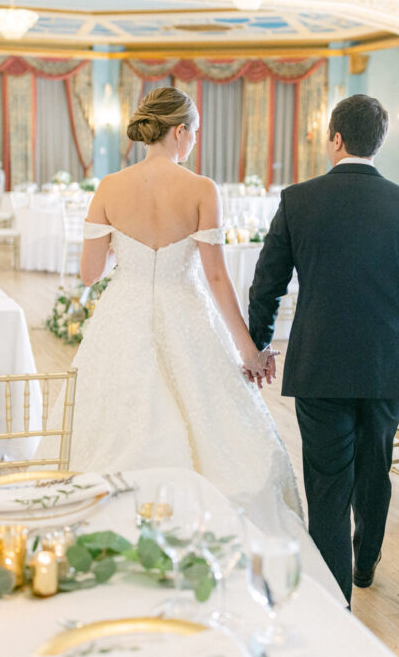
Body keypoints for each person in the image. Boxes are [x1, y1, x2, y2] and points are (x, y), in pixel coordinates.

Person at [67, 86, 302, 532]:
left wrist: (124, 245)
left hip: (125, 313)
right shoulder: (201, 189)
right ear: (179, 132)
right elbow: (216, 278)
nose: (194, 142)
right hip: (187, 313)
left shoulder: (110, 187)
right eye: (193, 133)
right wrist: (249, 352)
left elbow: (89, 273)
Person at [247, 94, 399, 603]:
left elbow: (266, 285)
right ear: (379, 143)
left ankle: (336, 597)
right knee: (375, 466)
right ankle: (367, 561)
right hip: (384, 364)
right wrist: (393, 327)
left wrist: (259, 343)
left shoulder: (298, 199)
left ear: (335, 138)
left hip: (320, 362)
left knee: (327, 480)